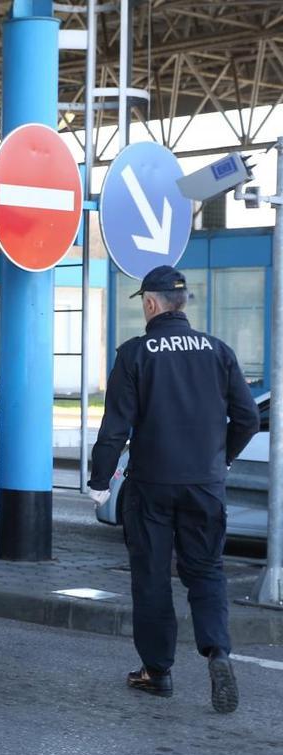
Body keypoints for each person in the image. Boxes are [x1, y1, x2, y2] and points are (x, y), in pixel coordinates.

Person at [88, 265, 259, 714]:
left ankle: (157, 672)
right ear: (181, 304)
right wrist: (222, 458)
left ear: (149, 303)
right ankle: (218, 653)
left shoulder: (135, 353)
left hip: (152, 487)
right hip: (205, 486)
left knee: (151, 578)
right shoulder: (217, 351)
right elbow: (247, 418)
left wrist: (99, 481)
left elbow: (115, 428)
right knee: (205, 573)